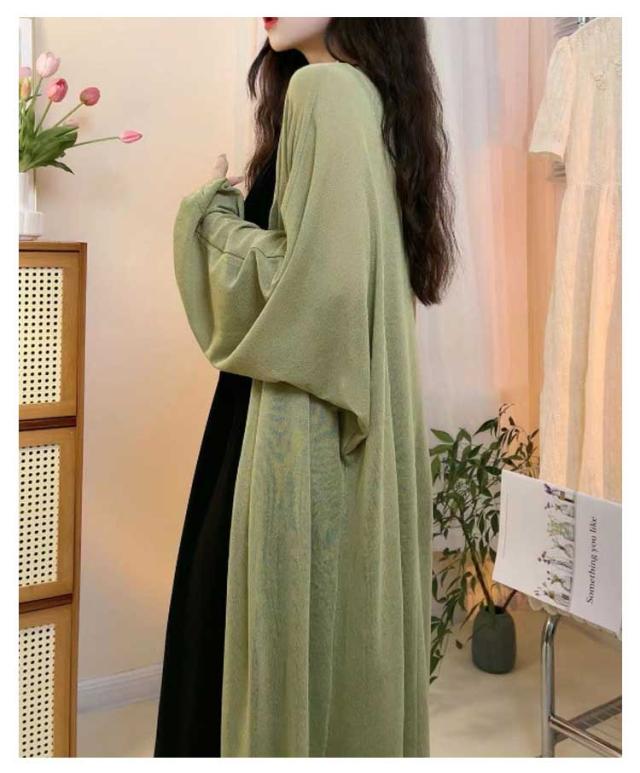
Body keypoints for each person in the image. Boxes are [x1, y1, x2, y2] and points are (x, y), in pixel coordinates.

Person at [156, 17, 457, 758]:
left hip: (293, 422)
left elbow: (314, 290)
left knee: (235, 661)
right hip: (328, 418)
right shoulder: (374, 101)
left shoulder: (324, 90)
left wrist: (207, 219)